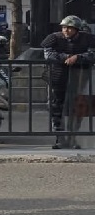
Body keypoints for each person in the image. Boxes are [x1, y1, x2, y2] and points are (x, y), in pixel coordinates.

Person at [41, 15, 95, 149]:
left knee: (76, 108)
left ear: (76, 29)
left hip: (79, 77)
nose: (66, 30)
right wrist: (66, 57)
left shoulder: (87, 38)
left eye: (70, 28)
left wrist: (78, 57)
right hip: (57, 76)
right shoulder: (54, 38)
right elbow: (48, 54)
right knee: (56, 107)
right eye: (64, 27)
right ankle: (60, 138)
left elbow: (93, 54)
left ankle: (73, 138)